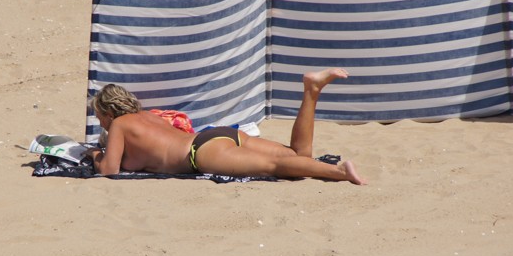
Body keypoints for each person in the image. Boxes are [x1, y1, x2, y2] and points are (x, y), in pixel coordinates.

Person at [87, 68, 366, 185]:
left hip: (200, 153)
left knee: (275, 167)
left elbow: (110, 170)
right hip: (219, 135)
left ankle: (339, 172)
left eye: (100, 117)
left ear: (109, 113)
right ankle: (311, 90)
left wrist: (94, 154)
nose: (101, 123)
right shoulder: (149, 116)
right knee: (299, 156)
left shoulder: (120, 124)